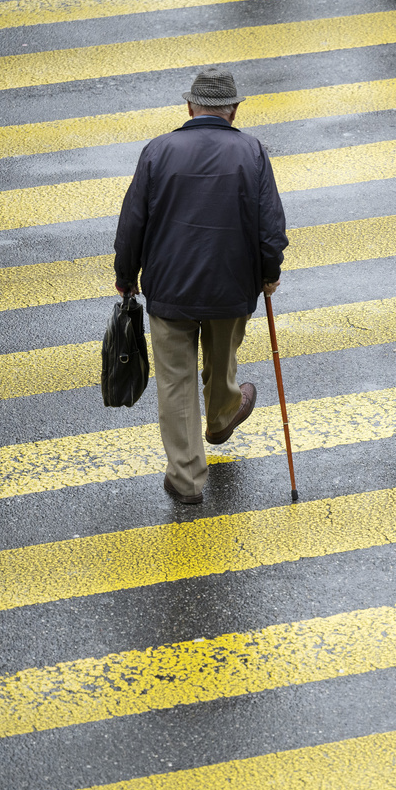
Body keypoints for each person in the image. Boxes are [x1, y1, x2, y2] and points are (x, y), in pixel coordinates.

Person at [114, 67, 288, 505]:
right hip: (231, 288)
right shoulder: (251, 151)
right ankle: (222, 415)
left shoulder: (158, 151)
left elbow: (132, 222)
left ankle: (187, 481)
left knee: (175, 382)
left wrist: (125, 276)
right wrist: (270, 272)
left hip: (170, 289)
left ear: (190, 107)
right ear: (232, 111)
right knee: (222, 357)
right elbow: (270, 227)